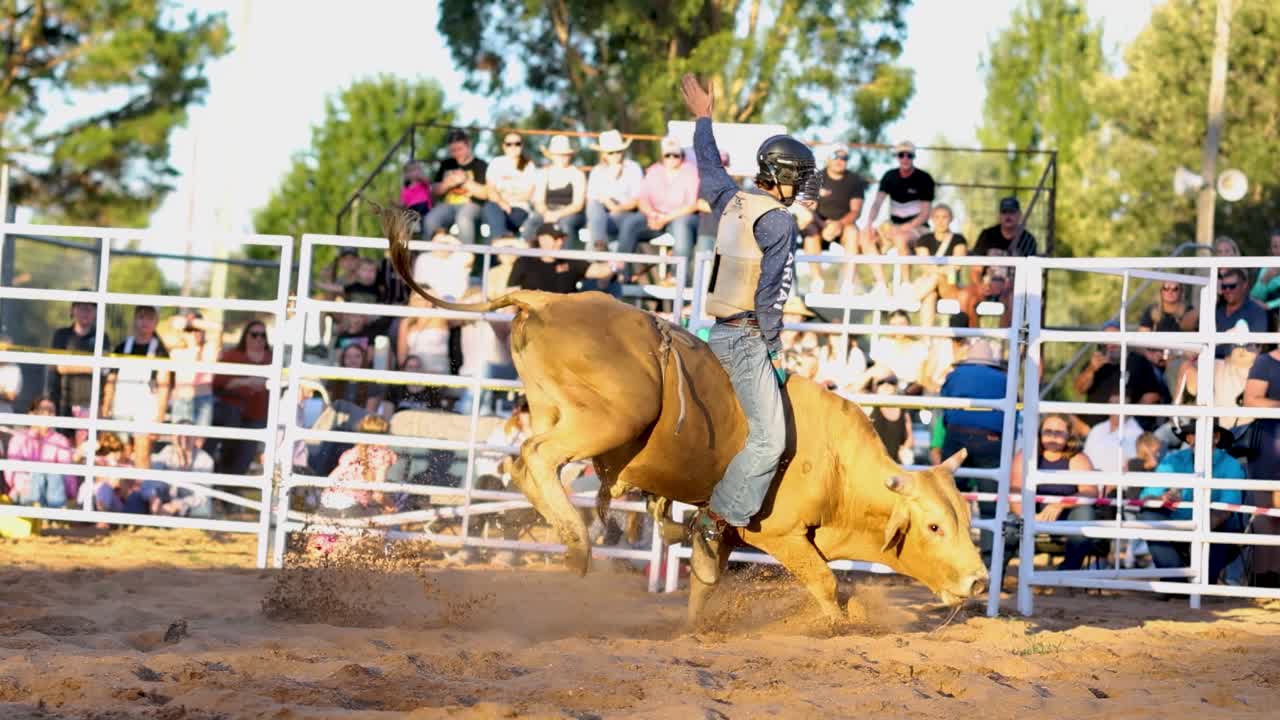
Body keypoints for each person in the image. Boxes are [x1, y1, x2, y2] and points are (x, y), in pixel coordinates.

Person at [679, 74, 818, 582]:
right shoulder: (779, 224)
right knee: (769, 441)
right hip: (746, 337)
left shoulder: (731, 200)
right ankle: (715, 521)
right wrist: (777, 351)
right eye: (799, 178)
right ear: (781, 178)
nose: (803, 187)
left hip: (715, 331)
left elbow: (709, 166)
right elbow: (770, 296)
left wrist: (704, 119)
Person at [1137, 420, 1244, 584]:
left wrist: (1199, 528)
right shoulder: (1172, 460)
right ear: (1187, 439)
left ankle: (1185, 579)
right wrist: (1162, 498)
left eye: (1200, 433)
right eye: (1191, 434)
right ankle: (1175, 580)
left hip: (1212, 528)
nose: (1194, 438)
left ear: (1216, 438)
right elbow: (1146, 498)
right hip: (1178, 526)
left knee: (1225, 526)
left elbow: (1226, 509)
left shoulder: (1231, 465)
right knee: (1148, 515)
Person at [1008, 414, 1097, 573]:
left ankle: (1067, 574)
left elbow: (1090, 492)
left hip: (1065, 514)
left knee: (1085, 515)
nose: (1053, 436)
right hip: (1030, 511)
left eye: (1059, 431)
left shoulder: (1078, 458)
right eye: (1047, 431)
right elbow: (1015, 492)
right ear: (1039, 433)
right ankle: (994, 579)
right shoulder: (1025, 455)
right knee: (1008, 525)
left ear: (1069, 434)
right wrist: (1027, 516)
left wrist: (1060, 504)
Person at [616, 135, 701, 278]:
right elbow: (642, 199)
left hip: (678, 217)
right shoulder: (653, 171)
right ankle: (620, 273)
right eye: (668, 155)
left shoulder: (691, 172)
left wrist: (665, 218)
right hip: (654, 216)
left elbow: (692, 205)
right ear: (662, 156)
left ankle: (678, 278)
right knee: (630, 223)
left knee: (681, 228)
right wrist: (651, 214)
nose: (672, 158)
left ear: (681, 155)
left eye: (676, 155)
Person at [859, 140, 935, 291]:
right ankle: (881, 284)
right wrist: (868, 224)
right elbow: (877, 203)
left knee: (901, 238)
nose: (905, 158)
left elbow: (925, 214)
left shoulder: (924, 178)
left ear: (914, 157)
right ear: (897, 157)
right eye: (901, 155)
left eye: (909, 155)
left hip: (918, 228)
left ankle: (905, 284)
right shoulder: (890, 176)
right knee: (864, 236)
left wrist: (902, 228)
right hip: (893, 226)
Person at [212, 321, 273, 475]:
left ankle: (231, 492)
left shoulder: (272, 358)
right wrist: (245, 381)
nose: (259, 338)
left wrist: (265, 383)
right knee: (228, 452)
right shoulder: (232, 356)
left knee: (244, 458)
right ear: (245, 336)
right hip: (232, 415)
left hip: (257, 416)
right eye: (254, 334)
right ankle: (221, 488)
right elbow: (218, 383)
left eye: (262, 335)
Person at [1243, 346, 1280, 585]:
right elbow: (1251, 400)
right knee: (1266, 511)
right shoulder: (1265, 362)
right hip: (1270, 442)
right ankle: (1263, 577)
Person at [506, 224, 617, 294]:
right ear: (541, 239)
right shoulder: (524, 262)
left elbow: (598, 271)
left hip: (565, 321)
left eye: (561, 239)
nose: (560, 243)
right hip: (534, 321)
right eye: (555, 238)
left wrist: (615, 265)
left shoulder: (569, 260)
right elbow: (512, 296)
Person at [4, 396, 74, 507]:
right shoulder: (20, 438)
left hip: (53, 491)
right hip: (26, 491)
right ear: (32, 414)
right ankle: (48, 515)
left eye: (52, 411)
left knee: (52, 474)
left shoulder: (61, 440)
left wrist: (70, 493)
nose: (49, 414)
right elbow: (13, 472)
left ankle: (51, 514)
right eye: (44, 410)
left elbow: (67, 474)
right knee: (38, 475)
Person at [422, 128, 487, 244]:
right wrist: (447, 184)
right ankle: (430, 256)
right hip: (448, 205)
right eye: (453, 150)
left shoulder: (481, 165)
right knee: (430, 219)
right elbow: (433, 191)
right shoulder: (447, 164)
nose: (456, 153)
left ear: (469, 145)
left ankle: (466, 257)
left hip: (473, 205)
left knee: (463, 218)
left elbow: (485, 194)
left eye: (460, 149)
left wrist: (464, 182)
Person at [584, 129, 644, 250]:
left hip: (625, 215)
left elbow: (637, 200)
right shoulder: (597, 171)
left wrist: (616, 207)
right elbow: (592, 200)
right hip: (602, 216)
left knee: (596, 223)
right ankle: (599, 246)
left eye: (618, 151)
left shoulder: (633, 168)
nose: (616, 155)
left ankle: (597, 252)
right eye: (611, 152)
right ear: (604, 154)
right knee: (594, 210)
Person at [529, 134, 587, 245]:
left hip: (570, 212)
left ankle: (565, 260)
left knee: (565, 226)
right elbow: (539, 201)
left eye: (565, 155)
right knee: (531, 224)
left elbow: (578, 205)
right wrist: (546, 214)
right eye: (558, 154)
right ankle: (527, 258)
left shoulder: (578, 174)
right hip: (546, 211)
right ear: (552, 156)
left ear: (570, 155)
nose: (562, 157)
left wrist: (556, 215)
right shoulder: (544, 173)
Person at [481, 132, 539, 243]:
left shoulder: (529, 166)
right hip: (497, 206)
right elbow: (490, 191)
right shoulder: (496, 163)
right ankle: (502, 240)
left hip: (519, 209)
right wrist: (502, 201)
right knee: (492, 209)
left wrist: (504, 197)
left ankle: (498, 244)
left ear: (522, 146)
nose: (513, 147)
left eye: (517, 143)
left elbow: (528, 195)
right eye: (509, 144)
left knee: (495, 224)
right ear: (504, 146)